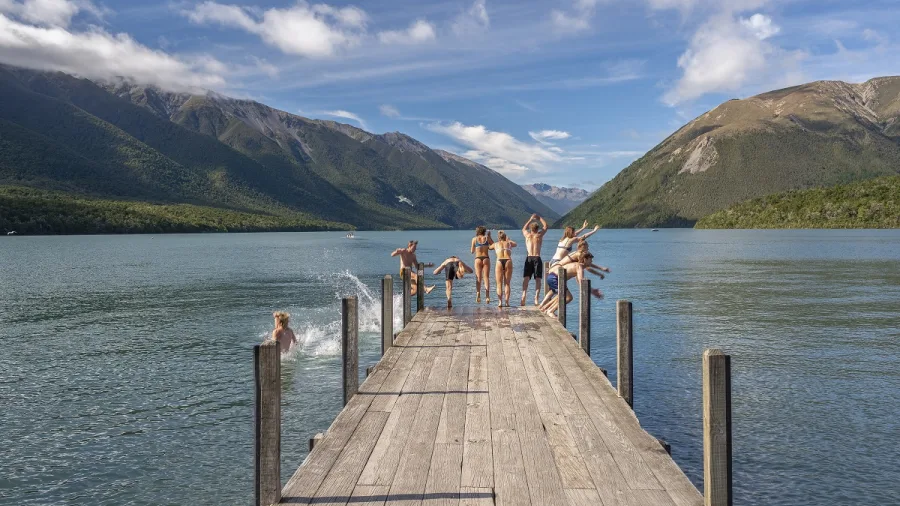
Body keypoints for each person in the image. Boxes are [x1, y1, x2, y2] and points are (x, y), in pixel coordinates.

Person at [540, 251, 605, 316]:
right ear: (585, 259)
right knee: (568, 297)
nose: (591, 262)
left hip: (553, 277)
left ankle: (545, 308)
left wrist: (592, 291)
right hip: (555, 278)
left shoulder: (577, 265)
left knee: (561, 295)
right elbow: (581, 282)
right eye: (590, 260)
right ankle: (550, 311)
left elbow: (579, 282)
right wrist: (593, 291)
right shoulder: (579, 267)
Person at [520, 213, 549, 306]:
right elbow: (546, 226)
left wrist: (530, 219)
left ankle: (524, 294)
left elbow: (523, 229)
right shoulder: (539, 235)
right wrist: (539, 217)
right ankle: (536, 298)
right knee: (538, 279)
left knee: (526, 278)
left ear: (531, 229)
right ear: (537, 229)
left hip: (529, 258)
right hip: (537, 258)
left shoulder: (527, 235)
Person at [490, 231, 517, 307]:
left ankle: (500, 302)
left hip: (499, 261)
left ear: (498, 238)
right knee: (507, 284)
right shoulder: (509, 243)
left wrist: (489, 238)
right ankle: (507, 302)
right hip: (508, 260)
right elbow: (515, 244)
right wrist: (508, 240)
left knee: (499, 284)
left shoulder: (496, 244)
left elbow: (489, 247)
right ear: (505, 237)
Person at [470, 227, 494, 303]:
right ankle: (487, 296)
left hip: (477, 259)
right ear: (484, 231)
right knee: (486, 277)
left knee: (478, 277)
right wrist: (489, 237)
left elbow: (472, 251)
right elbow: (493, 246)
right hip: (486, 258)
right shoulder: (487, 238)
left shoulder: (474, 239)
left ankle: (478, 293)